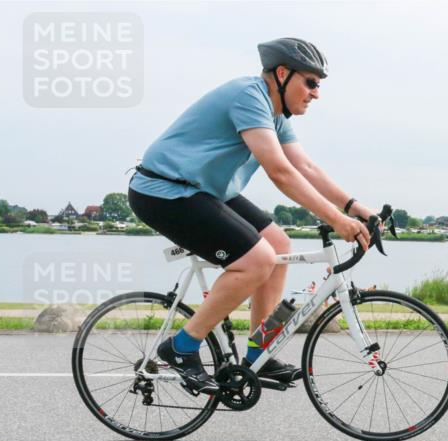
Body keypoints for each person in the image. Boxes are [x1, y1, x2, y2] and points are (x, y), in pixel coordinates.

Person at [128, 38, 373, 392]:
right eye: (311, 82)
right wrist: (337, 221)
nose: (316, 93)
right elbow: (280, 172)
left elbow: (303, 166)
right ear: (283, 74)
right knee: (258, 260)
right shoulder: (249, 96)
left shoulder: (275, 113)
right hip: (163, 190)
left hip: (203, 190)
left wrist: (355, 208)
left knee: (278, 244)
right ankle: (181, 347)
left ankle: (259, 353)